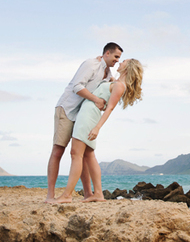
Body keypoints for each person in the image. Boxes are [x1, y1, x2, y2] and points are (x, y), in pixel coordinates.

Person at [50, 58, 144, 203]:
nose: (120, 62)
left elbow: (110, 108)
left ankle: (67, 195)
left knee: (76, 154)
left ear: (128, 67)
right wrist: (101, 61)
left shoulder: (120, 86)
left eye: (123, 61)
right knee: (88, 155)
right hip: (87, 114)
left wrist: (97, 127)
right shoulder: (115, 81)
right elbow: (106, 75)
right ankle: (98, 193)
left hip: (88, 117)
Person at [45, 42, 123, 203]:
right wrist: (96, 99)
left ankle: (88, 193)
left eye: (119, 58)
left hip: (82, 115)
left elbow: (115, 84)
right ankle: (50, 195)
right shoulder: (91, 64)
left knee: (82, 153)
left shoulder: (107, 72)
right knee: (58, 150)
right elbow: (77, 86)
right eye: (116, 57)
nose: (117, 60)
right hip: (67, 109)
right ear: (106, 53)